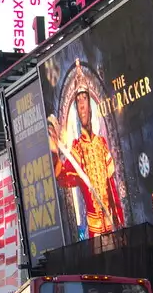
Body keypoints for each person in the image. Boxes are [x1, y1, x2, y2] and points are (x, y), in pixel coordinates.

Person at [47, 80, 125, 239]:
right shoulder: (76, 149)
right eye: (78, 101)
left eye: (85, 99)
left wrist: (120, 222)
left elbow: (112, 188)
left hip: (112, 224)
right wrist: (54, 151)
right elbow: (62, 177)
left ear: (90, 105)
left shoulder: (102, 144)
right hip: (94, 230)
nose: (82, 105)